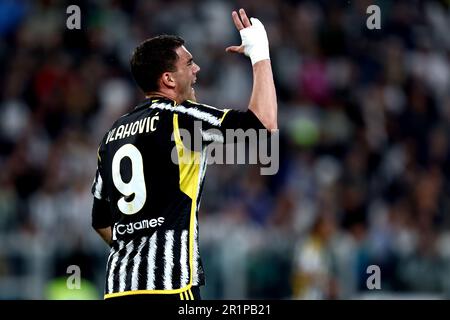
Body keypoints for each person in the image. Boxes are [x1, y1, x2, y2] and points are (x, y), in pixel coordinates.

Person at [91, 8, 277, 300]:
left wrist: (139, 253)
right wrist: (260, 55)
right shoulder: (180, 118)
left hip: (119, 291)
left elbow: (101, 222)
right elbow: (264, 124)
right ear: (168, 79)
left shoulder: (112, 134)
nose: (197, 69)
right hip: (171, 287)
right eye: (189, 63)